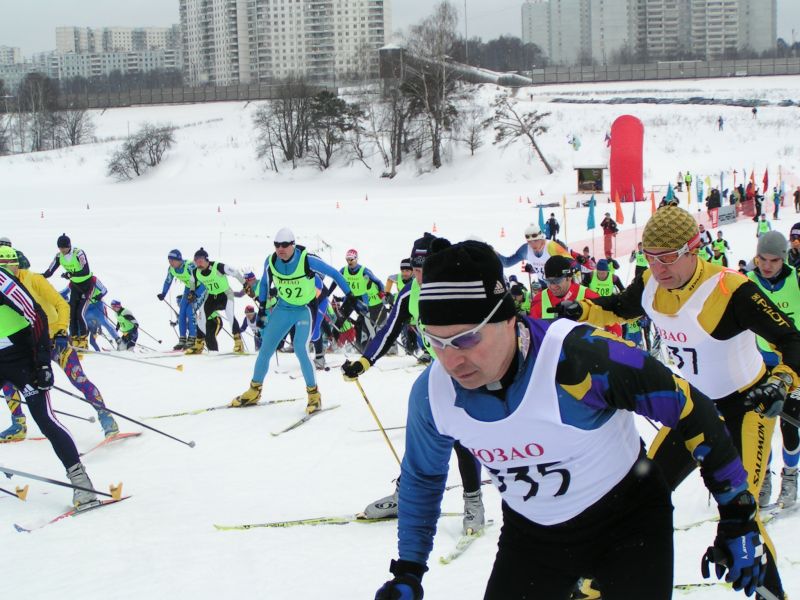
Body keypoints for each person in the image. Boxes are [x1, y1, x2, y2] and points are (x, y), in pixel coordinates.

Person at [374, 239, 767, 600]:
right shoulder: (432, 394)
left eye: (466, 338)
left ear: (508, 319)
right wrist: (409, 571)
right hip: (532, 537)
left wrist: (737, 515)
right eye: (436, 341)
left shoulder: (582, 358)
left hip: (629, 526)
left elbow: (689, 408)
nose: (451, 360)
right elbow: (423, 477)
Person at [553, 206, 800, 598]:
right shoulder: (651, 281)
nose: (660, 268)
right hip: (689, 406)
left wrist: (782, 382)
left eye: (668, 258)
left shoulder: (730, 289)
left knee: (743, 516)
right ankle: (597, 585)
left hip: (744, 409)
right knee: (641, 493)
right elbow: (617, 308)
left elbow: (793, 340)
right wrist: (578, 309)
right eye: (651, 257)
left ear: (694, 249)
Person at [341, 233, 486, 533]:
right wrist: (364, 361)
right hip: (439, 368)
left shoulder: (457, 287)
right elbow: (388, 330)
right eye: (416, 268)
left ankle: (474, 503)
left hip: (471, 369)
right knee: (418, 416)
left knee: (461, 433)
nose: (420, 275)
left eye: (425, 268)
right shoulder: (410, 295)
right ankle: (405, 494)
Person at [0, 248, 101, 508]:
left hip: (24, 358)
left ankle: (81, 484)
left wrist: (44, 363)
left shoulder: (5, 282)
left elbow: (38, 316)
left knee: (45, 419)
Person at [231, 227, 358, 414]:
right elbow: (265, 284)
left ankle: (314, 394)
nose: (280, 249)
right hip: (283, 308)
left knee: (300, 348)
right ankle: (254, 390)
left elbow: (335, 274)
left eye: (284, 245)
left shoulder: (306, 259)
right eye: (276, 245)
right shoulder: (272, 261)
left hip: (304, 309)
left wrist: (350, 296)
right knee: (266, 348)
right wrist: (263, 309)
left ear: (292, 245)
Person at [0, 247, 119, 441]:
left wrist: (63, 331)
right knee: (8, 379)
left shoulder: (34, 280)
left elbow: (62, 304)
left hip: (56, 340)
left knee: (78, 378)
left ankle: (106, 417)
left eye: (7, 267)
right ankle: (18, 424)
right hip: (31, 345)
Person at [746, 231, 799, 509]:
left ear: (784, 258)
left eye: (774, 260)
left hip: (792, 365)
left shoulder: (797, 280)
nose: (767, 265)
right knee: (760, 424)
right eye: (762, 259)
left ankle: (790, 477)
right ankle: (762, 477)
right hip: (760, 363)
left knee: (789, 422)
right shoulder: (748, 282)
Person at [41, 234, 93, 349]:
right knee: (72, 313)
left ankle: (83, 339)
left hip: (87, 285)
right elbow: (49, 272)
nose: (62, 250)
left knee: (80, 313)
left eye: (64, 248)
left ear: (69, 246)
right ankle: (74, 338)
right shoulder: (59, 256)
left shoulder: (78, 253)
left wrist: (70, 274)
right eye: (60, 248)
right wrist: (36, 277)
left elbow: (85, 270)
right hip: (75, 286)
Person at [189, 248, 245, 354]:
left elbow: (235, 273)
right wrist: (192, 292)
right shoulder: (195, 272)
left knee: (230, 315)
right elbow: (192, 281)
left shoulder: (217, 266)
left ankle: (238, 343)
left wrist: (245, 284)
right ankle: (198, 345)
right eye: (196, 261)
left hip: (225, 295)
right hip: (211, 296)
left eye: (200, 260)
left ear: (206, 260)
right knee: (201, 317)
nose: (198, 263)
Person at [329, 249, 384, 350]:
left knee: (363, 324)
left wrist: (383, 293)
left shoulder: (364, 271)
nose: (349, 262)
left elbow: (378, 282)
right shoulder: (343, 270)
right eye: (347, 260)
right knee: (339, 320)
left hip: (362, 300)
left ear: (356, 259)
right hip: (349, 298)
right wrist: (327, 293)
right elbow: (335, 282)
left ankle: (362, 347)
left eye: (351, 260)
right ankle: (334, 345)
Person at [157, 249, 206, 351]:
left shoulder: (189, 266)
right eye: (169, 260)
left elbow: (203, 281)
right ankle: (182, 339)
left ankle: (193, 338)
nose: (170, 263)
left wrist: (196, 294)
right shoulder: (171, 269)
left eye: (172, 260)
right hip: (189, 288)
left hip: (201, 288)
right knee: (182, 311)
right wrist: (163, 293)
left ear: (179, 260)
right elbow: (168, 281)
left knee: (190, 310)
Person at [497, 224, 573, 284]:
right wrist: (493, 252)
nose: (533, 244)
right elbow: (507, 263)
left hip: (559, 283)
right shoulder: (525, 250)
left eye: (536, 240)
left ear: (541, 238)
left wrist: (560, 274)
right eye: (529, 242)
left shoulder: (551, 246)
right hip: (543, 283)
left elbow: (571, 264)